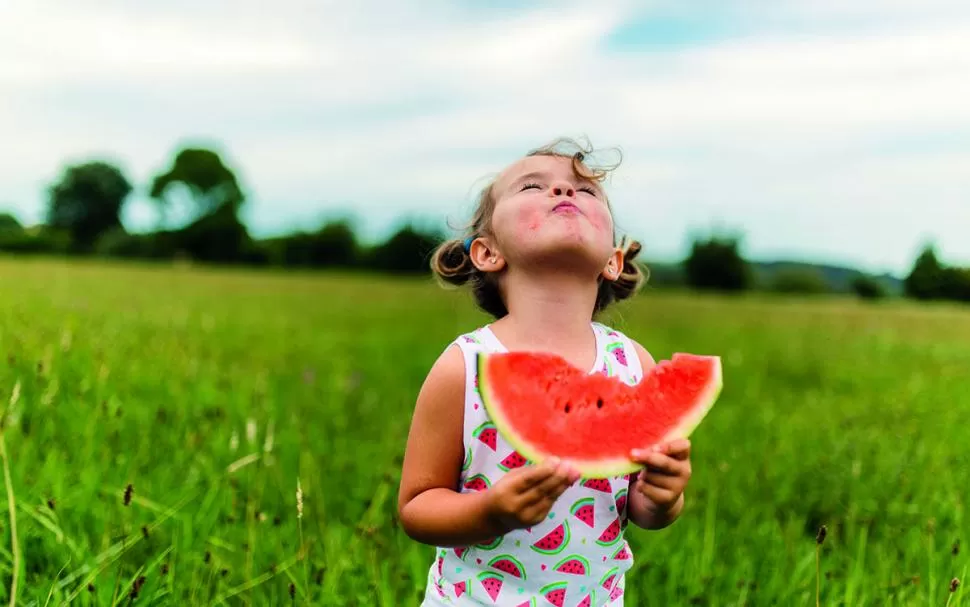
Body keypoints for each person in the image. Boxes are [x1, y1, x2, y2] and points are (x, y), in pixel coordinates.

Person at [397, 138, 694, 606]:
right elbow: (416, 506)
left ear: (613, 261)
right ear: (486, 253)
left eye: (587, 191)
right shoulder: (465, 366)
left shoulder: (634, 364)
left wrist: (662, 499)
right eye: (533, 186)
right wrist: (487, 512)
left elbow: (637, 509)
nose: (564, 193)